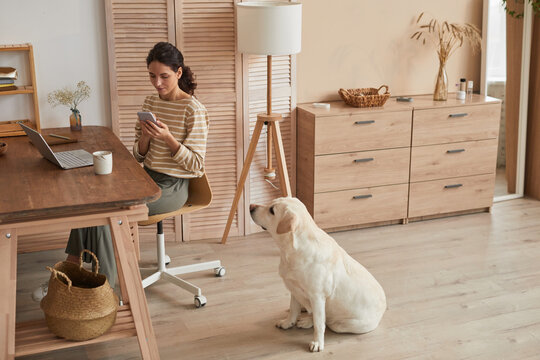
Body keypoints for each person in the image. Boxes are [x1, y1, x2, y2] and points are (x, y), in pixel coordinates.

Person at [32, 42, 209, 301]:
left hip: (174, 186)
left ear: (179, 73)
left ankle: (105, 293)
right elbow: (138, 155)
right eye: (151, 75)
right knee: (91, 205)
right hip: (146, 177)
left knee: (108, 215)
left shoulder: (194, 110)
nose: (157, 83)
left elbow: (196, 165)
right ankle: (68, 277)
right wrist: (147, 139)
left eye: (164, 76)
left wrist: (169, 138)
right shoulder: (150, 102)